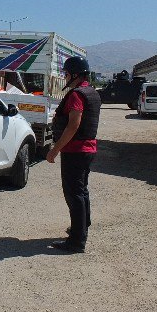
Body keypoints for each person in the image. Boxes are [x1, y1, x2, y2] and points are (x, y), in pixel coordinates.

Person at [46, 56, 101, 253]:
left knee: (74, 193)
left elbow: (73, 124)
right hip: (88, 149)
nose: (65, 77)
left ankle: (77, 241)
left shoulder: (77, 94)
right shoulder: (92, 92)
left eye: (67, 74)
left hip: (75, 150)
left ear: (75, 75)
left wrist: (54, 149)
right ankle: (82, 227)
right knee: (82, 191)